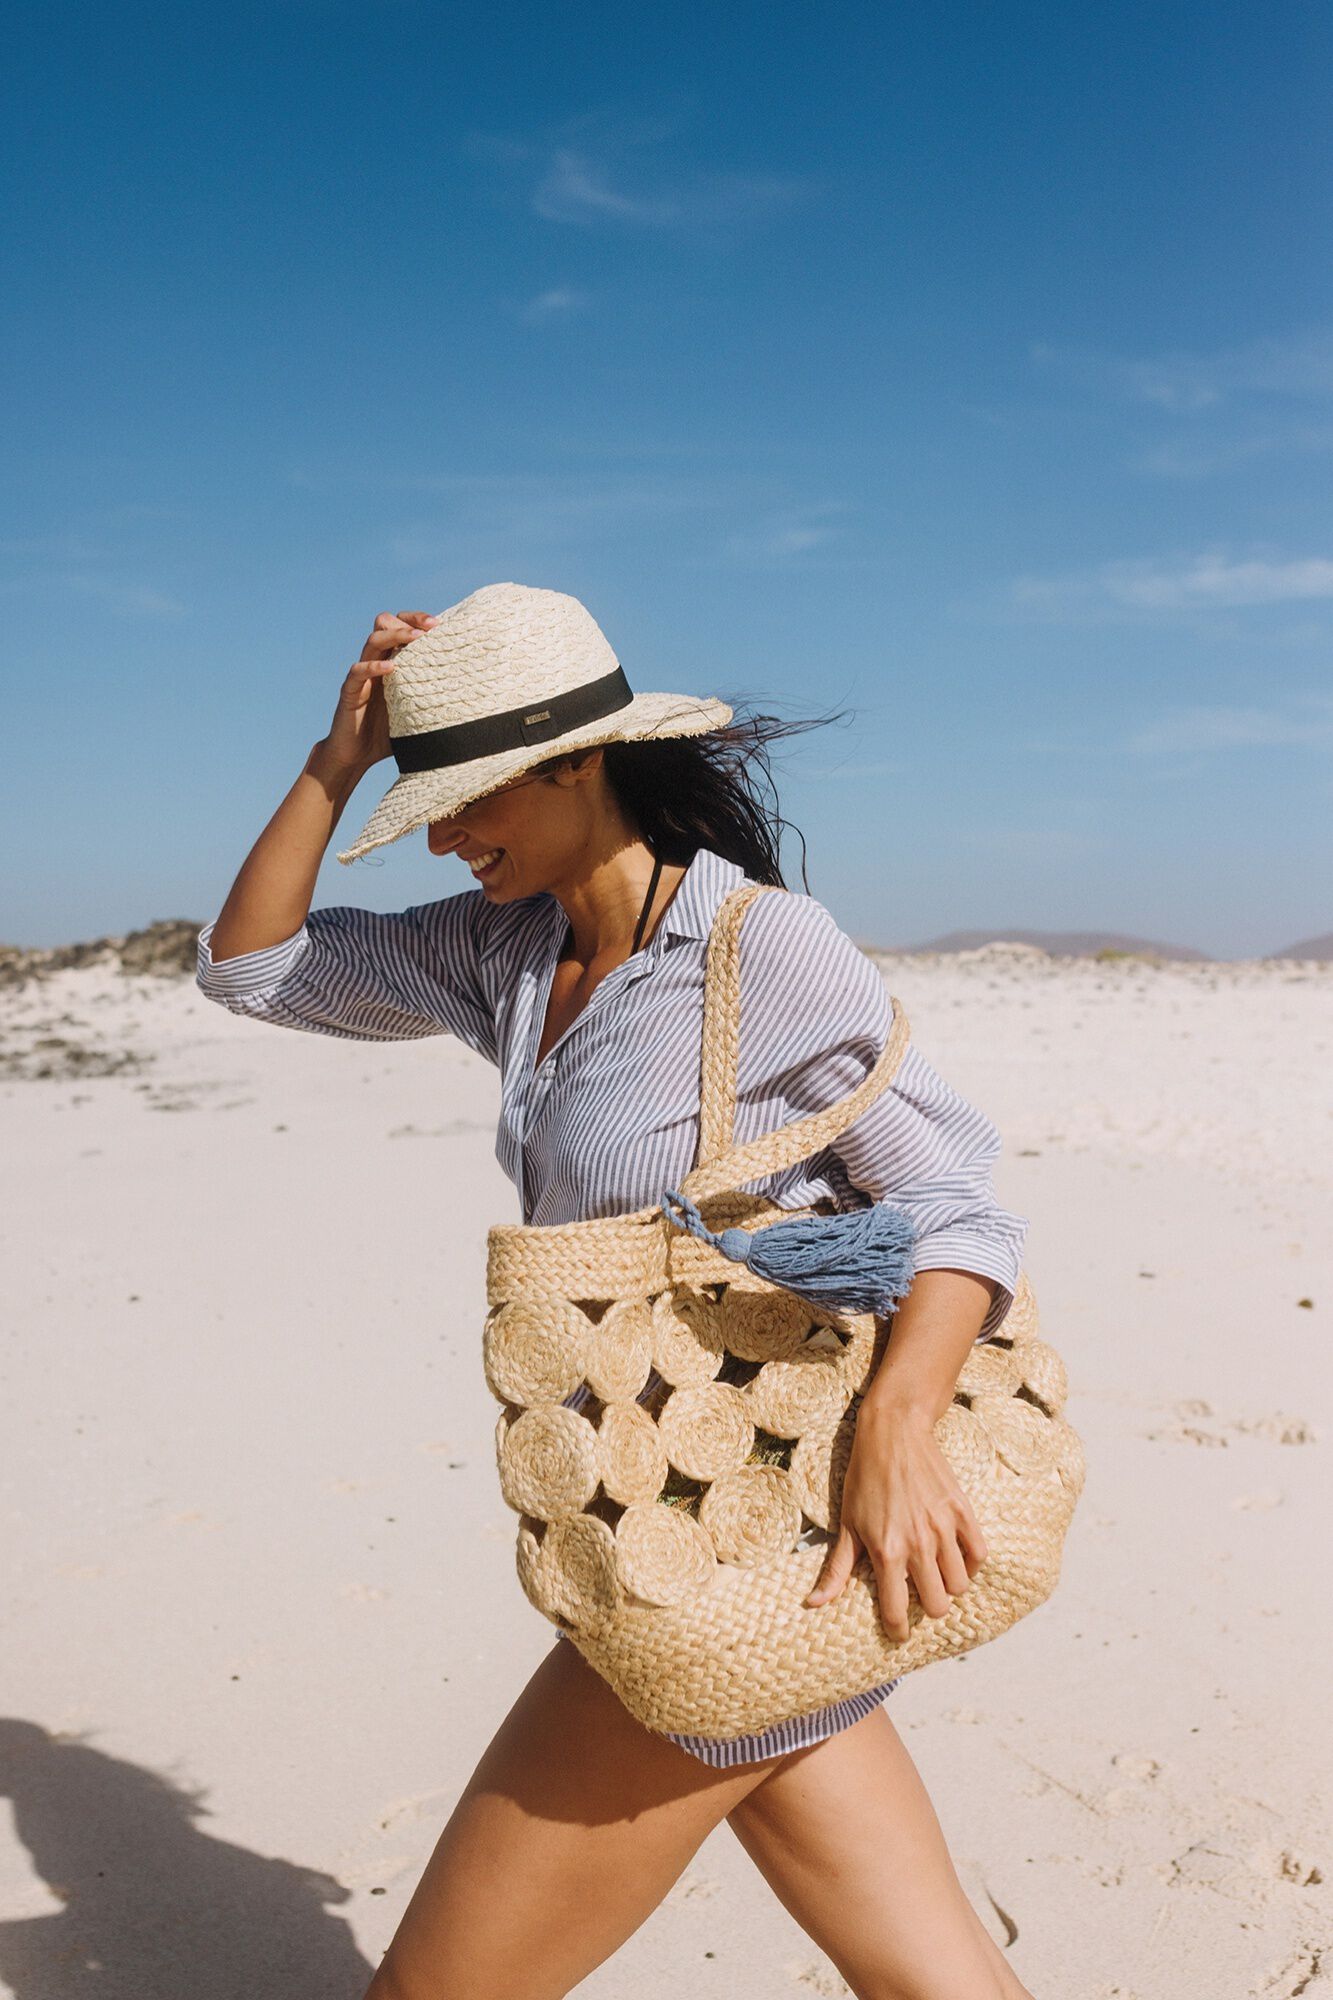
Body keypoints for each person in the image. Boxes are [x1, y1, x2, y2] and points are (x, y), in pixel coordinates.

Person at [196, 584, 1037, 2000]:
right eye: (425, 804)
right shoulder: (508, 953)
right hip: (667, 1511)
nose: (446, 838)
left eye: (467, 800)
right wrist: (335, 765)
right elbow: (251, 968)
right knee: (931, 1975)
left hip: (734, 1531)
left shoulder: (759, 948)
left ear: (580, 759)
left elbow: (956, 1205)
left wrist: (899, 1429)